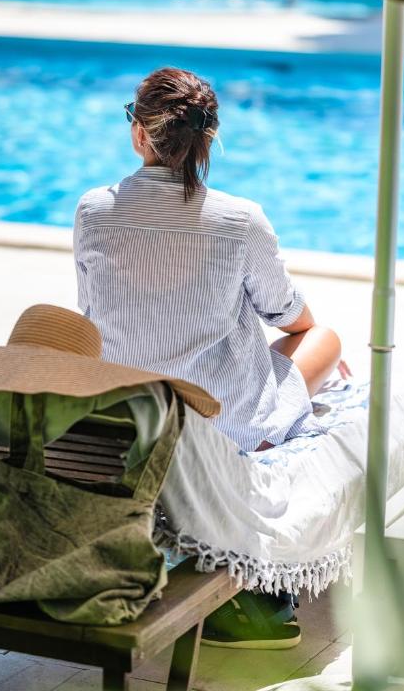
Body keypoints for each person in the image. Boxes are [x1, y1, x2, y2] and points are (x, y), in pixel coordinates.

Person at [73, 66, 347, 648]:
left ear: (139, 133)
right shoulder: (239, 219)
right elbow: (288, 315)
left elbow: (94, 317)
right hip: (219, 424)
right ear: (207, 139)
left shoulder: (94, 210)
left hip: (132, 415)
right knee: (326, 341)